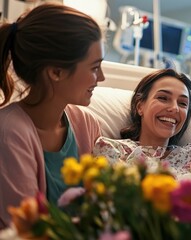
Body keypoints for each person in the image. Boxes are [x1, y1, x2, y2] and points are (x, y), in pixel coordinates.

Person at [0, 3, 105, 228]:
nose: (102, 78)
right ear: (56, 72)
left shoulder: (86, 124)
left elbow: (103, 204)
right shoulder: (9, 133)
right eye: (95, 67)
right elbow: (28, 230)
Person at [93, 68, 191, 178]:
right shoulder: (113, 150)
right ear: (140, 107)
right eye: (163, 98)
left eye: (182, 103)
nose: (174, 108)